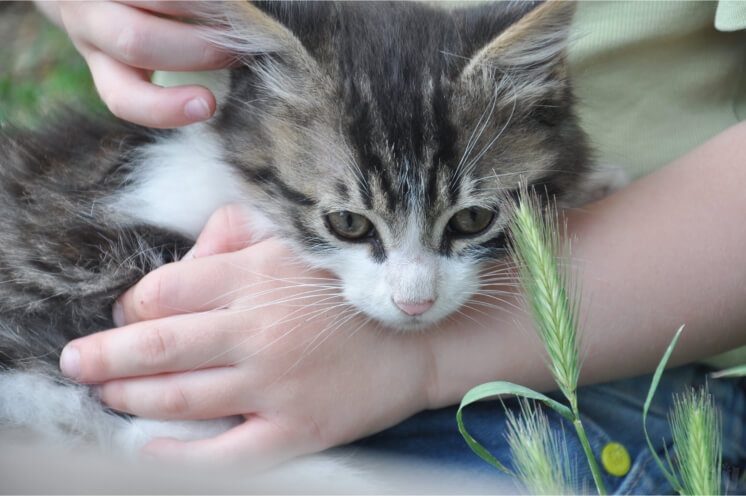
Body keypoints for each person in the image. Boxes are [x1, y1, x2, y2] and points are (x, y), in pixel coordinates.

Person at [37, 1, 746, 492]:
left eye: (467, 225)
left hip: (610, 360)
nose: (413, 294)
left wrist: (424, 361)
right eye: (351, 226)